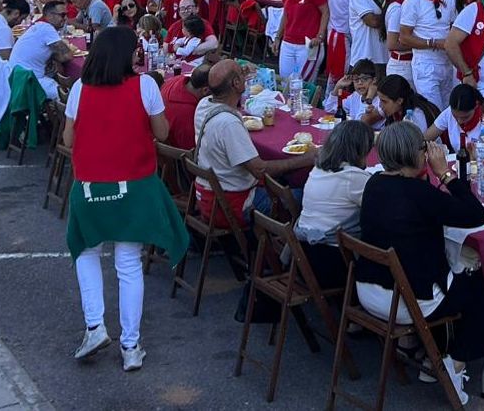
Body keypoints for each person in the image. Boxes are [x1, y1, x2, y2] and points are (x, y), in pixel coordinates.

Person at [61, 26, 187, 372]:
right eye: (135, 49)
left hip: (90, 185)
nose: (138, 55)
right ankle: (130, 345)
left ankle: (95, 327)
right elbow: (162, 132)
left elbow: (69, 139)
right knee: (128, 263)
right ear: (125, 54)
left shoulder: (80, 88)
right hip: (134, 186)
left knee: (86, 252)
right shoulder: (145, 85)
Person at [357, 121, 484, 401]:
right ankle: (453, 363)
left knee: (448, 271)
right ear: (415, 154)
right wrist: (445, 173)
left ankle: (425, 347)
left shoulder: (373, 185)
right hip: (409, 302)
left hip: (369, 291)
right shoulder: (420, 194)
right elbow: (476, 214)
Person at [193, 59, 316, 225]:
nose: (246, 76)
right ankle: (294, 247)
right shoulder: (228, 123)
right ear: (236, 83)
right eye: (242, 74)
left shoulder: (203, 104)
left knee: (281, 182)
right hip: (231, 204)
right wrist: (307, 159)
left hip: (208, 195)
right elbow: (260, 169)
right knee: (306, 195)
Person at [294, 119, 375, 289]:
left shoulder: (319, 168)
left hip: (303, 256)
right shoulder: (353, 177)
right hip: (333, 261)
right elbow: (381, 207)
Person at [399, 0, 458, 111]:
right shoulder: (412, 3)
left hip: (448, 63)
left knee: (449, 111)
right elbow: (404, 37)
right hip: (425, 64)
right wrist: (433, 43)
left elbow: (454, 29)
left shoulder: (450, 0)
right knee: (433, 111)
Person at [273, 0, 328, 82]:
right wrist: (277, 37)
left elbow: (325, 12)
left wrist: (320, 36)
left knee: (302, 87)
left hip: (308, 45)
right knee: (285, 84)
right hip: (288, 43)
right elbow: (286, 14)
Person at [10, 0, 70, 101]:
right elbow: (68, 55)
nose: (65, 19)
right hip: (30, 81)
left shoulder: (38, 25)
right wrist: (57, 56)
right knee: (68, 97)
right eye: (62, 15)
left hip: (18, 78)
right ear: (50, 15)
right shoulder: (47, 28)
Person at [359, 74, 438, 132]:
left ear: (399, 101)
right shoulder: (393, 106)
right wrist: (368, 113)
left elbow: (411, 147)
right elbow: (363, 121)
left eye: (384, 101)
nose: (380, 105)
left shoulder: (416, 115)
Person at [159, 63, 210, 150]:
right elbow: (192, 151)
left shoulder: (176, 79)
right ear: (205, 90)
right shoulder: (187, 115)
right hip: (177, 157)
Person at [383, 0, 416, 81]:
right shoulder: (397, 8)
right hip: (402, 66)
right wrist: (420, 44)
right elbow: (392, 43)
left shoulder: (404, 5)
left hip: (409, 64)